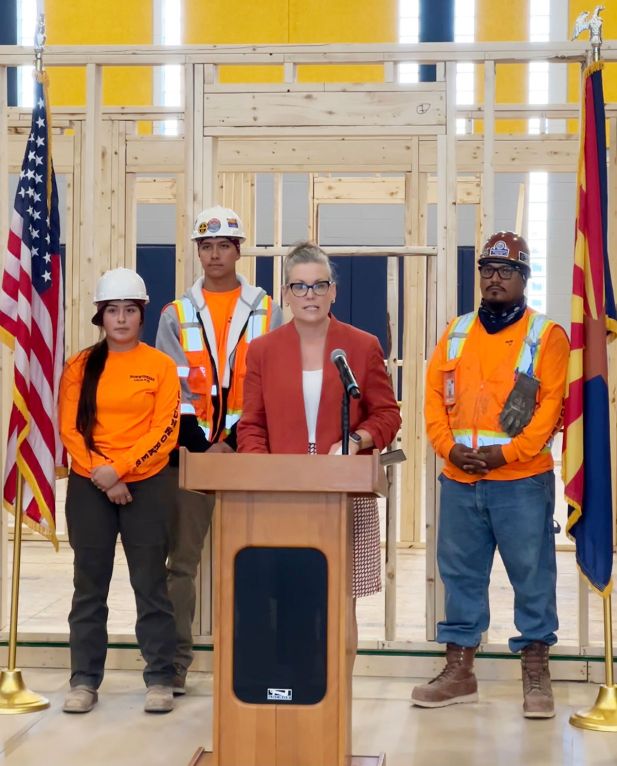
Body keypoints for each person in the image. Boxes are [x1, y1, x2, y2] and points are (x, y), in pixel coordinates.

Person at [412, 231, 569, 718]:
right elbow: (433, 398)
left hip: (521, 482)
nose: (494, 279)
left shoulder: (547, 336)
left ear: (524, 278)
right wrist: (449, 448)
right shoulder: (456, 331)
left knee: (532, 575)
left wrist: (507, 456)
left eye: (506, 271)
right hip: (460, 480)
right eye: (487, 270)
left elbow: (550, 410)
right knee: (460, 577)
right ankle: (459, 670)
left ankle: (536, 672)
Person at [237, 241, 401, 631]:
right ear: (286, 295)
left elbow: (387, 414)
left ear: (333, 292)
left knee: (338, 606)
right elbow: (252, 424)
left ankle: (336, 690)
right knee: (286, 600)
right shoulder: (262, 351)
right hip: (282, 495)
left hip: (344, 492)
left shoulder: (362, 346)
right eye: (299, 286)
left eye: (318, 285)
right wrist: (265, 477)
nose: (309, 295)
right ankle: (289, 684)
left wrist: (357, 440)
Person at [156, 205, 282, 693]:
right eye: (205, 246)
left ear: (238, 250)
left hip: (250, 456)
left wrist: (234, 441)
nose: (214, 255)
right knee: (181, 565)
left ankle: (252, 661)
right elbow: (172, 389)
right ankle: (175, 667)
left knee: (253, 558)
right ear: (198, 251)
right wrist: (203, 448)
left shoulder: (267, 309)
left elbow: (270, 383)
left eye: (223, 246)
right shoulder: (176, 313)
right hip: (191, 458)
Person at [59, 268, 180, 715]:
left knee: (150, 583)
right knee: (89, 585)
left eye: (130, 310)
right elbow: (70, 429)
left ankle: (159, 677)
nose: (122, 319)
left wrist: (121, 470)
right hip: (91, 485)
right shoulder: (79, 366)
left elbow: (165, 430)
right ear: (101, 316)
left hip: (146, 482)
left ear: (141, 314)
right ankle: (84, 680)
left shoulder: (159, 366)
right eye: (114, 311)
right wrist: (101, 475)